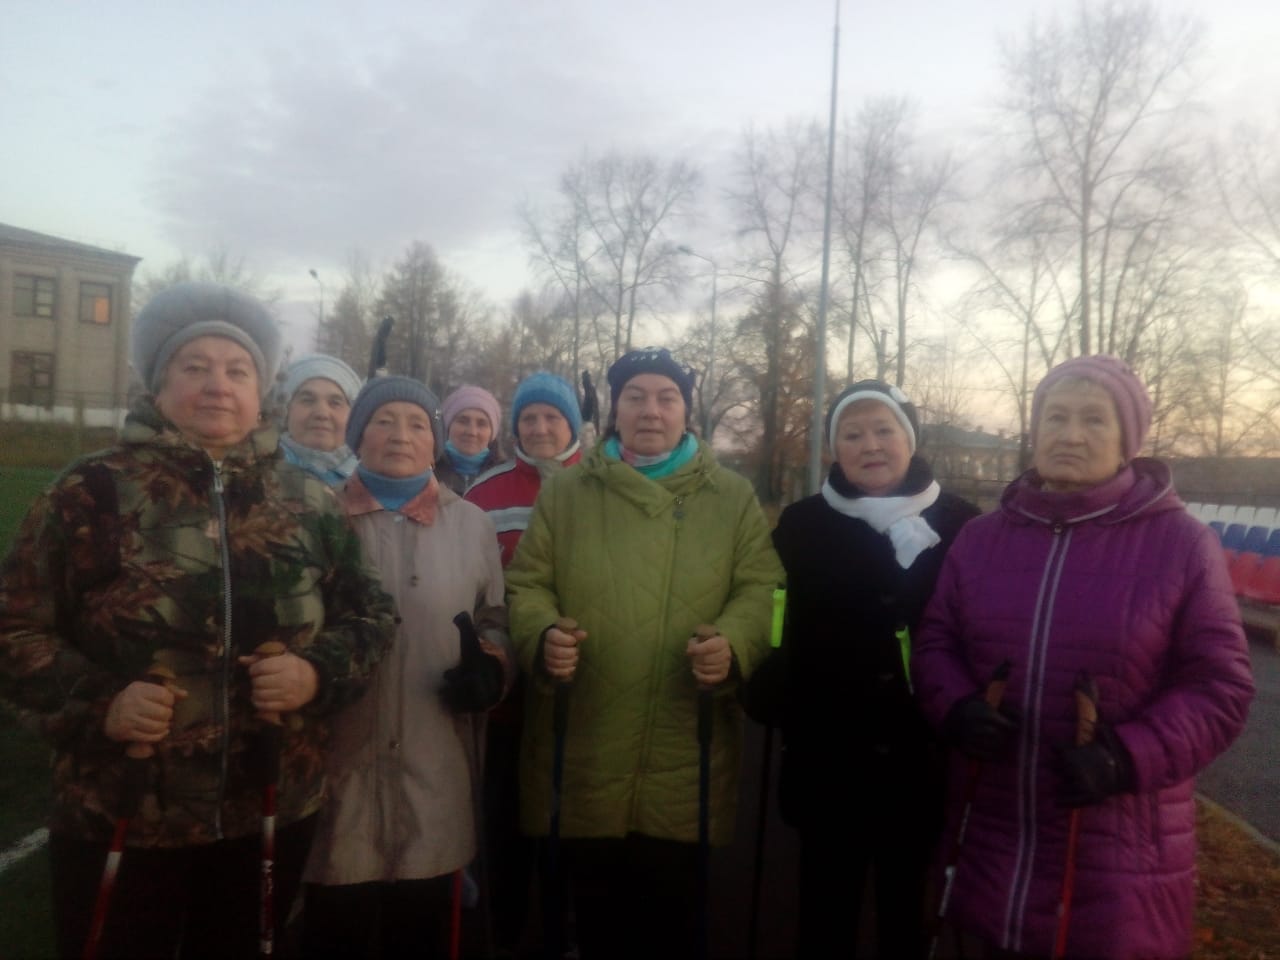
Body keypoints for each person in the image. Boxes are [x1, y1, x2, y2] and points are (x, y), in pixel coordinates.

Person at [0, 281, 396, 960]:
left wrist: (314, 673)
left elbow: (372, 615)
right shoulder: (88, 491)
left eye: (238, 370)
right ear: (158, 384)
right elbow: (14, 628)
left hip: (268, 805)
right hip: (121, 808)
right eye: (195, 366)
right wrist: (100, 702)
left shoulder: (308, 501)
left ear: (260, 391)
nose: (218, 384)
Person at [912, 355, 1255, 960]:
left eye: (1094, 419)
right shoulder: (981, 539)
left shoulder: (1181, 544)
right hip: (992, 839)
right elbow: (937, 642)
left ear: (1128, 441)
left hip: (1117, 855)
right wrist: (957, 707)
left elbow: (1220, 686)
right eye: (1056, 417)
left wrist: (1127, 757)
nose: (1070, 434)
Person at [505, 346, 782, 960]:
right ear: (615, 409)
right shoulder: (566, 492)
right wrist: (542, 634)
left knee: (672, 925)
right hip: (586, 742)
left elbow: (763, 588)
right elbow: (526, 585)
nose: (650, 410)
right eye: (635, 397)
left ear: (686, 410)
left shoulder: (732, 496)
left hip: (685, 745)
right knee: (595, 922)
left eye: (666, 397)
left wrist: (734, 642)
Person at [745, 381, 980, 958]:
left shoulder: (965, 526)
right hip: (829, 762)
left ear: (910, 438)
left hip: (923, 762)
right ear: (835, 449)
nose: (869, 445)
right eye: (852, 434)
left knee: (908, 917)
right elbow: (770, 611)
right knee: (825, 916)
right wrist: (770, 676)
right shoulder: (801, 526)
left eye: (883, 430)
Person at [301, 375, 514, 960]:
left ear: (434, 442)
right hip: (336, 776)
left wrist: (493, 667)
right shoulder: (316, 519)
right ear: (357, 435)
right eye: (384, 420)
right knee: (335, 932)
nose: (401, 434)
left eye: (418, 423)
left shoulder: (471, 525)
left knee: (421, 934)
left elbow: (495, 619)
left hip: (435, 775)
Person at [464, 371, 584, 955]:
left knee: (574, 830)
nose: (539, 428)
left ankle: (568, 934)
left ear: (572, 424)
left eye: (551, 417)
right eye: (528, 418)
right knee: (507, 822)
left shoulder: (604, 482)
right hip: (512, 693)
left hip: (584, 692)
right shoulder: (486, 492)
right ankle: (504, 935)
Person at [278, 352, 363, 487]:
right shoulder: (257, 473)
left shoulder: (373, 480)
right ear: (286, 410)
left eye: (335, 403)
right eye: (308, 400)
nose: (322, 414)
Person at [436, 384, 503, 494]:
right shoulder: (425, 473)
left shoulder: (506, 478)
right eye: (462, 421)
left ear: (492, 432)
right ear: (448, 426)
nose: (472, 432)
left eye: (482, 424)